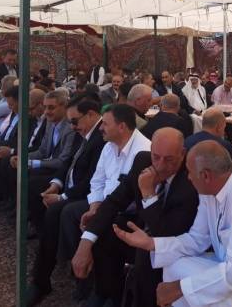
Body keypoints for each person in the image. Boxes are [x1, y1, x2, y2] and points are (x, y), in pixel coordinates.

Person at [112, 140, 232, 307]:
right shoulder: (209, 192)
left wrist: (180, 288)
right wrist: (151, 243)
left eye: (190, 172)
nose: (188, 177)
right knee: (174, 265)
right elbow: (196, 240)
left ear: (206, 175)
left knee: (200, 292)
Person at [72, 128, 199, 307]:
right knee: (108, 230)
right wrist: (86, 241)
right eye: (156, 157)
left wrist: (148, 193)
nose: (160, 165)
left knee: (145, 255)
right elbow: (115, 200)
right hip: (144, 227)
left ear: (183, 153)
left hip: (174, 242)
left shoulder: (191, 178)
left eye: (169, 159)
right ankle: (108, 293)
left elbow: (164, 233)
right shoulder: (143, 160)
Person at [26, 96, 106, 305]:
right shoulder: (84, 132)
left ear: (91, 114)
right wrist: (56, 184)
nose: (72, 126)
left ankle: (43, 278)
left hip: (91, 195)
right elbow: (68, 162)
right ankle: (48, 252)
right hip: (72, 188)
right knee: (39, 193)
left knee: (58, 212)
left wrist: (63, 196)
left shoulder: (101, 137)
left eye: (74, 121)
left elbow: (92, 180)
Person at [58, 105, 151, 273]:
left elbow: (127, 198)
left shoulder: (143, 152)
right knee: (68, 212)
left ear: (121, 127)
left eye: (105, 124)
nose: (100, 127)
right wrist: (94, 206)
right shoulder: (109, 146)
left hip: (127, 213)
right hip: (105, 204)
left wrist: (99, 211)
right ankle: (75, 266)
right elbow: (97, 181)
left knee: (99, 227)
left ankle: (92, 276)